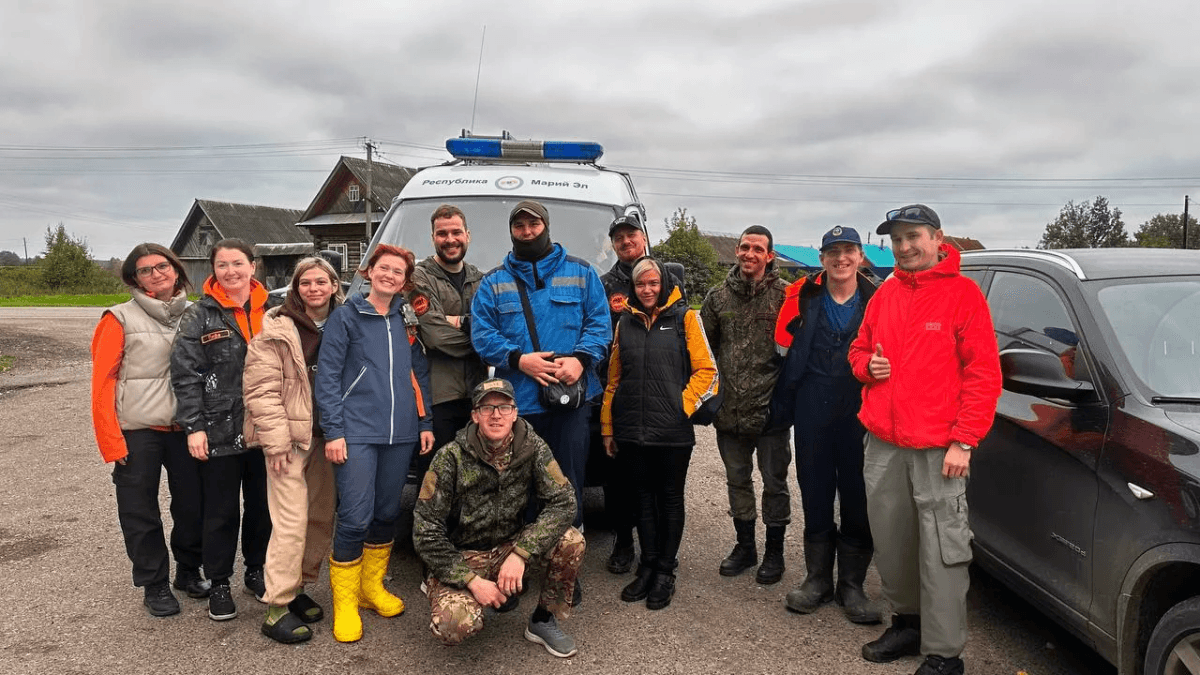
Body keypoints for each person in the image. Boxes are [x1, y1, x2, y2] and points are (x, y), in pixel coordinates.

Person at [848, 205, 1001, 675]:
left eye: (913, 236)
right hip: (884, 443)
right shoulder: (885, 293)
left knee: (942, 550)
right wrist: (865, 368)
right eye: (896, 239)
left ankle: (944, 652)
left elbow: (983, 374)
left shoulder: (964, 295)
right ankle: (907, 624)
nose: (904, 247)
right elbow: (859, 349)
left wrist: (965, 440)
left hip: (940, 449)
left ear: (938, 238)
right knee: (893, 543)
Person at [413, 378, 585, 657]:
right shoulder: (449, 458)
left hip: (509, 548)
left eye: (504, 407)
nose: (496, 415)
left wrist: (521, 552)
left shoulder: (532, 447)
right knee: (453, 626)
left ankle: (543, 621)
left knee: (571, 540)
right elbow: (425, 530)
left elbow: (564, 501)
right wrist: (472, 581)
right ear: (475, 415)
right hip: (463, 555)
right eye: (487, 407)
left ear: (515, 413)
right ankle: (471, 592)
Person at [315, 243, 434, 643]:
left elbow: (419, 374)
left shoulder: (406, 318)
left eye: (398, 272)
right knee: (355, 515)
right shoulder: (345, 318)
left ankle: (371, 588)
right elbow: (328, 378)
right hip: (357, 432)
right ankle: (345, 603)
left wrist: (424, 421)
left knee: (386, 513)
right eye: (384, 268)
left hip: (400, 432)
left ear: (405, 280)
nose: (390, 276)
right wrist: (333, 431)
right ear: (369, 272)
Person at [470, 200, 610, 538]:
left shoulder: (582, 273)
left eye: (534, 225)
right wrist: (519, 360)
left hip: (571, 402)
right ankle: (526, 561)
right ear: (512, 232)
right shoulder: (494, 282)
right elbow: (482, 334)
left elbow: (600, 325)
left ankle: (564, 570)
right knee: (522, 485)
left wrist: (581, 360)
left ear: (546, 227)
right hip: (518, 404)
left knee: (567, 485)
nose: (527, 232)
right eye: (520, 227)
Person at [769, 226, 881, 624]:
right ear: (822, 259)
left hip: (860, 405)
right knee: (815, 490)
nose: (840, 258)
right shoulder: (802, 295)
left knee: (857, 493)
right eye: (832, 251)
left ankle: (851, 585)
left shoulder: (878, 299)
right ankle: (816, 579)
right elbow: (780, 350)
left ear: (861, 256)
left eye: (848, 250)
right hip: (812, 402)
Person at [90, 243, 207, 617]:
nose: (156, 274)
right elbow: (102, 383)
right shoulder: (119, 318)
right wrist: (111, 440)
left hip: (186, 428)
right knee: (139, 511)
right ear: (133, 278)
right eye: (145, 270)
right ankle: (153, 583)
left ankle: (188, 570)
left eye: (162, 266)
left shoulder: (198, 313)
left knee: (194, 505)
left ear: (177, 269)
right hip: (137, 430)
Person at [600, 257, 718, 609]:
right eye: (640, 285)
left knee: (669, 499)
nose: (647, 290)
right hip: (632, 430)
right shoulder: (625, 322)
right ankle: (647, 567)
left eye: (653, 283)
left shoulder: (686, 318)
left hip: (672, 432)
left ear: (663, 283)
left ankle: (665, 571)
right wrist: (608, 427)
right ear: (633, 288)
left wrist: (678, 407)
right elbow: (614, 380)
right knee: (642, 499)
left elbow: (707, 371)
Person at [171, 238, 276, 621]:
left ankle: (256, 569)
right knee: (220, 511)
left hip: (266, 428)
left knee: (263, 507)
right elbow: (185, 375)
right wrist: (193, 427)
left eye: (237, 263)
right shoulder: (199, 316)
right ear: (213, 270)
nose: (230, 271)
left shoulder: (275, 312)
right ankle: (218, 583)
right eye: (222, 265)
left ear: (253, 266)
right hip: (218, 430)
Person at [243, 256, 343, 643]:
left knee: (319, 516)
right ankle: (276, 606)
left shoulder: (345, 323)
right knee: (289, 521)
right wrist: (276, 441)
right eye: (306, 283)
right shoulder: (276, 328)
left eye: (321, 282)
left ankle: (298, 588)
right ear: (296, 289)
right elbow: (261, 389)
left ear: (335, 286)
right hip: (289, 440)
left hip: (326, 435)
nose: (314, 288)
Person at [700, 225, 791, 585]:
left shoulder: (786, 297)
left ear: (770, 256)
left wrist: (785, 404)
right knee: (738, 481)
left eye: (758, 249)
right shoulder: (717, 298)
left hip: (771, 412)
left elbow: (796, 355)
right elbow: (703, 351)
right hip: (731, 412)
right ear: (737, 251)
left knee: (775, 483)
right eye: (745, 247)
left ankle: (774, 551)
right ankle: (745, 546)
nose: (750, 254)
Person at [408, 204, 486, 474]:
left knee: (474, 477)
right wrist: (483, 342)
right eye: (442, 233)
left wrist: (457, 322)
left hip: (478, 395)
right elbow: (435, 335)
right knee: (436, 478)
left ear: (468, 235)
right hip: (438, 397)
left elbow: (498, 328)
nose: (450, 240)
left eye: (456, 232)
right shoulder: (419, 277)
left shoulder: (481, 279)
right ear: (433, 238)